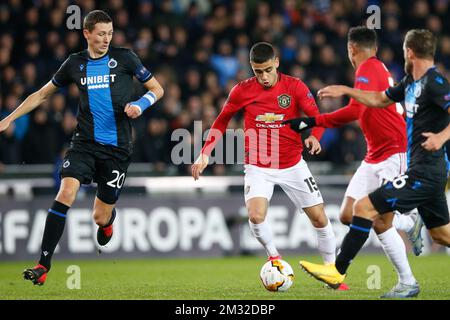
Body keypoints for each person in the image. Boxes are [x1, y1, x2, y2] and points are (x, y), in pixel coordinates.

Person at [0, 10, 164, 285]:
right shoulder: (74, 64)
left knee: (100, 216)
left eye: (110, 33)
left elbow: (157, 89)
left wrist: (140, 104)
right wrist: (8, 118)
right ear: (86, 33)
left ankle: (108, 221)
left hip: (117, 149)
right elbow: (41, 94)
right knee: (66, 191)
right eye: (101, 33)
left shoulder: (125, 58)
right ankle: (43, 265)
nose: (106, 39)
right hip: (84, 144)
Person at [299, 29, 450, 298]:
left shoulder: (434, 82)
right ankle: (408, 226)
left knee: (369, 211)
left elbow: (359, 109)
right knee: (439, 234)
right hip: (396, 159)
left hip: (417, 164)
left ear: (410, 52)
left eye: (404, 50)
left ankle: (348, 271)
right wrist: (346, 90)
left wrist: (441, 136)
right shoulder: (409, 83)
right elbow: (378, 100)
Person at [191, 42, 344, 288]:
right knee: (255, 214)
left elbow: (317, 118)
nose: (263, 77)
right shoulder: (242, 91)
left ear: (277, 63)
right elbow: (221, 122)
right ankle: (275, 258)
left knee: (319, 219)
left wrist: (314, 136)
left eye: (267, 70)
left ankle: (332, 274)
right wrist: (205, 153)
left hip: (293, 164)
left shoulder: (295, 87)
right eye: (257, 71)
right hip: (259, 165)